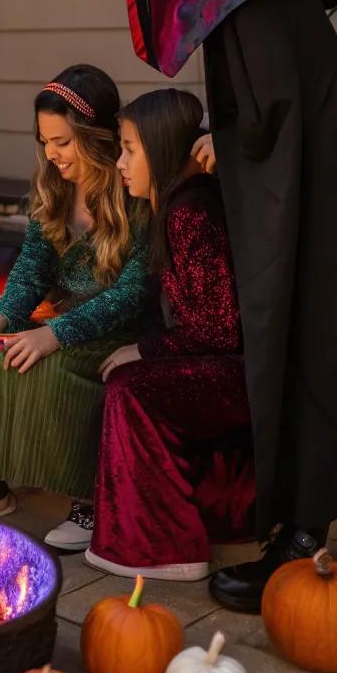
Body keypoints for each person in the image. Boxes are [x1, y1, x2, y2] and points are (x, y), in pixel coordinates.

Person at [92, 0, 337, 610]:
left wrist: (219, 149)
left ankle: (302, 538)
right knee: (296, 340)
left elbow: (271, 123)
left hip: (328, 189)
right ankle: (289, 521)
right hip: (315, 176)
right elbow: (270, 121)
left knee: (314, 344)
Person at [0, 65, 151, 549]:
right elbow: (31, 270)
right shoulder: (53, 188)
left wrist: (53, 334)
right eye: (44, 142)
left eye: (62, 141)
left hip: (117, 327)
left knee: (50, 372)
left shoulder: (133, 190)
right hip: (60, 318)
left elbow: (133, 292)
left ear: (96, 137)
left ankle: (90, 501)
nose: (51, 154)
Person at [88, 88, 255, 580]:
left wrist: (142, 350)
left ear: (160, 148)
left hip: (241, 373)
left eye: (130, 149)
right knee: (128, 378)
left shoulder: (191, 213)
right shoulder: (175, 206)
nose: (120, 161)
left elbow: (219, 328)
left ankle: (164, 546)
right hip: (226, 362)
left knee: (130, 389)